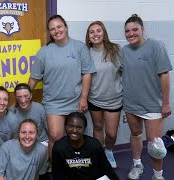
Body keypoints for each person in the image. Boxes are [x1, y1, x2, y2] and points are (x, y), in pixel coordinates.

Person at [28, 14, 96, 161]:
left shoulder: (79, 47)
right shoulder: (44, 52)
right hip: (53, 103)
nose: (56, 31)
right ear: (50, 32)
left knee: (77, 136)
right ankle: (55, 167)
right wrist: (26, 97)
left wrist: (84, 98)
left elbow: (87, 74)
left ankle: (77, 165)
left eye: (59, 26)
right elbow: (34, 78)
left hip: (76, 101)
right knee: (55, 136)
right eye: (52, 29)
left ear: (65, 27)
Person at [122, 14, 172, 180]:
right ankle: (137, 165)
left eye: (135, 29)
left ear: (142, 29)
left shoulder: (156, 46)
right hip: (131, 103)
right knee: (135, 134)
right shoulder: (125, 51)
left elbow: (164, 76)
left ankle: (158, 175)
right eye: (127, 31)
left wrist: (165, 103)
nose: (131, 33)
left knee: (154, 143)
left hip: (152, 104)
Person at [85, 21, 123, 168]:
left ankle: (109, 150)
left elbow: (124, 71)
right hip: (94, 98)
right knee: (98, 127)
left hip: (114, 99)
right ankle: (99, 154)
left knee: (112, 134)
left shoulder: (115, 49)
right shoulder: (86, 52)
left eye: (98, 31)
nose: (95, 34)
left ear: (104, 33)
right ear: (88, 37)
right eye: (92, 32)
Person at [52, 112, 119, 180]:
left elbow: (106, 168)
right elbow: (57, 174)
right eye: (71, 126)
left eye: (79, 127)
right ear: (66, 126)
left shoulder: (94, 144)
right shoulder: (59, 147)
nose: (74, 130)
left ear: (84, 128)